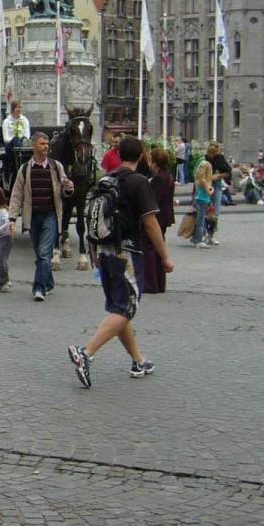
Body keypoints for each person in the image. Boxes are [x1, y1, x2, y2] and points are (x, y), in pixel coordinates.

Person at [67, 136, 173, 388]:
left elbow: (93, 215)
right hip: (126, 252)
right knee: (125, 308)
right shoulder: (138, 182)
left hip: (103, 251)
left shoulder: (106, 180)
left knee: (120, 308)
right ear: (141, 156)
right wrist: (165, 256)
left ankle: (138, 360)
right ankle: (86, 352)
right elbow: (149, 222)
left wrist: (93, 250)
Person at [8, 131, 74, 301]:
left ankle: (39, 288)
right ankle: (49, 282)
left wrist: (68, 188)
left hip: (50, 215)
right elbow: (17, 194)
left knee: (45, 254)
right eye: (43, 144)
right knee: (40, 255)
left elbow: (65, 189)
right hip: (32, 216)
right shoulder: (25, 169)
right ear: (34, 146)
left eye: (47, 144)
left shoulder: (56, 167)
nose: (46, 147)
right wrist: (12, 218)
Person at [143, 146, 175, 293]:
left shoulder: (159, 179)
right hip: (165, 215)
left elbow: (153, 200)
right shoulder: (167, 174)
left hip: (158, 216)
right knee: (158, 248)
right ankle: (159, 283)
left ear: (154, 161)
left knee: (150, 248)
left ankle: (151, 282)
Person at [1, 101, 31, 185]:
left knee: (24, 140)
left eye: (20, 107)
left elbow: (27, 136)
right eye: (17, 107)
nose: (19, 109)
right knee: (16, 139)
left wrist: (21, 141)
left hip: (22, 145)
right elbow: (6, 138)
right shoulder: (6, 121)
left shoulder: (25, 120)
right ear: (13, 109)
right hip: (10, 146)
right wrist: (15, 140)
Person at [191, 154, 214, 247]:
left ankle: (196, 238)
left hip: (199, 199)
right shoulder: (204, 180)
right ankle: (198, 240)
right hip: (203, 200)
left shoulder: (199, 179)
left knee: (200, 220)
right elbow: (209, 192)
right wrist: (212, 190)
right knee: (201, 221)